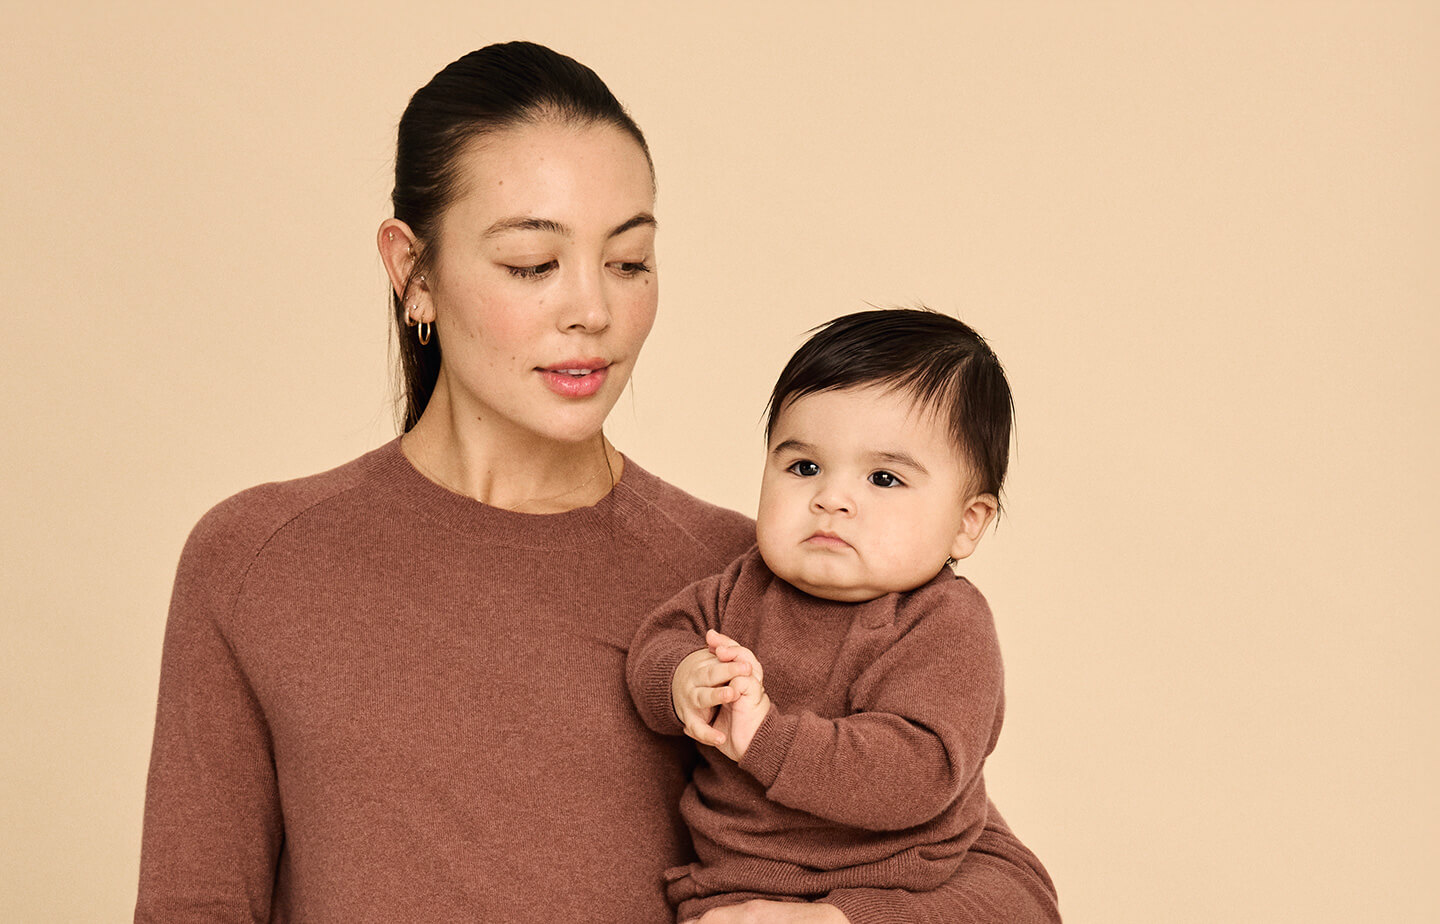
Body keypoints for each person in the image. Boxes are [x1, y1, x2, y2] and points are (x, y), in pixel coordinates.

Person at [135, 41, 1059, 924]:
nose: (593, 310)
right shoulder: (259, 561)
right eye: (533, 264)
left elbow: (1009, 892)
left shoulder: (750, 577)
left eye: (629, 262)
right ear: (411, 270)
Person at [627, 309, 1017, 921]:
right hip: (732, 884)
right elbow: (660, 642)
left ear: (967, 524)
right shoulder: (744, 583)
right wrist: (683, 679)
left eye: (883, 478)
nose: (830, 498)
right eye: (804, 467)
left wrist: (767, 739)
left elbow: (919, 770)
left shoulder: (944, 622)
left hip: (889, 888)